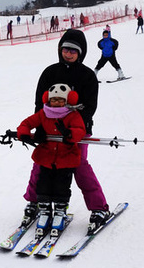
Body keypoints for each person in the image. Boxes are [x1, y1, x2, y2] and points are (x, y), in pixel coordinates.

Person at [21, 29, 110, 235]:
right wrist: (41, 127)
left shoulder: (87, 76)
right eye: (65, 49)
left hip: (76, 133)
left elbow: (90, 107)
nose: (68, 53)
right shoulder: (50, 72)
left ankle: (98, 208)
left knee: (79, 166)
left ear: (81, 53)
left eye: (73, 50)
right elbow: (39, 102)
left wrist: (74, 131)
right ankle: (34, 202)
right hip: (49, 132)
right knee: (41, 165)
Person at [16, 84, 86, 231]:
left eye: (61, 100)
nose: (57, 103)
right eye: (54, 99)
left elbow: (80, 130)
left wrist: (69, 134)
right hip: (46, 157)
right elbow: (26, 123)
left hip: (66, 158)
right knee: (43, 184)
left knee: (62, 185)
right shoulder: (43, 113)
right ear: (48, 99)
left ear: (67, 100)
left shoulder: (72, 114)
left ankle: (60, 210)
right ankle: (45, 209)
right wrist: (24, 133)